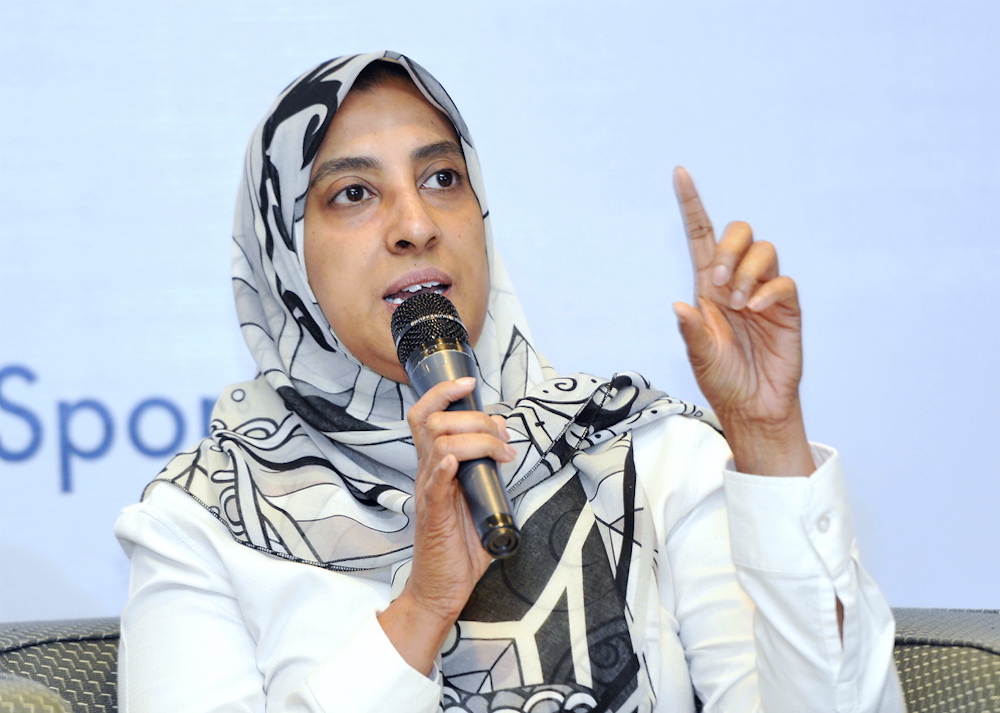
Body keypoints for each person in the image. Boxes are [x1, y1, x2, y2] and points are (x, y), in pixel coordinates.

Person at [115, 51, 905, 712]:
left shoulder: (639, 451)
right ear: (284, 254)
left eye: (442, 179)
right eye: (353, 193)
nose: (415, 223)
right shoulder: (206, 524)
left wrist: (767, 443)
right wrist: (423, 606)